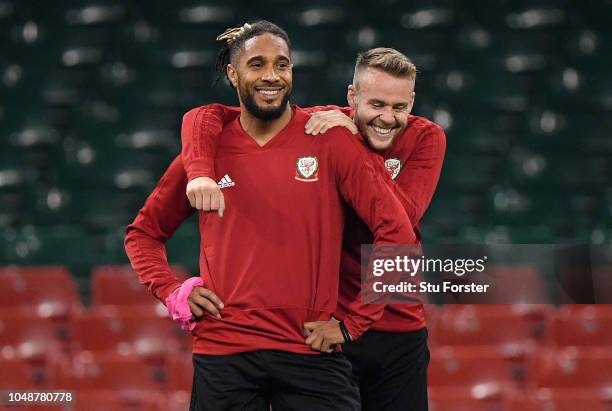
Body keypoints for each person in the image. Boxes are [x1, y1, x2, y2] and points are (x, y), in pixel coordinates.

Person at [124, 22, 417, 411]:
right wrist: (171, 291)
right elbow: (143, 233)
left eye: (282, 65)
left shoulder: (328, 138)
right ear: (233, 73)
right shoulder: (206, 151)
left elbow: (396, 230)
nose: (271, 76)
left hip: (310, 350)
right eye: (257, 64)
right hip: (224, 353)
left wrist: (353, 323)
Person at [182, 47, 446, 410]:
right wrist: (198, 171)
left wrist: (352, 145)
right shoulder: (322, 124)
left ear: (412, 102)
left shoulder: (426, 137)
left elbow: (402, 217)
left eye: (399, 107)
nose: (387, 118)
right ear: (352, 97)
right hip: (327, 328)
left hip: (398, 323)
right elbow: (209, 116)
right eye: (376, 105)